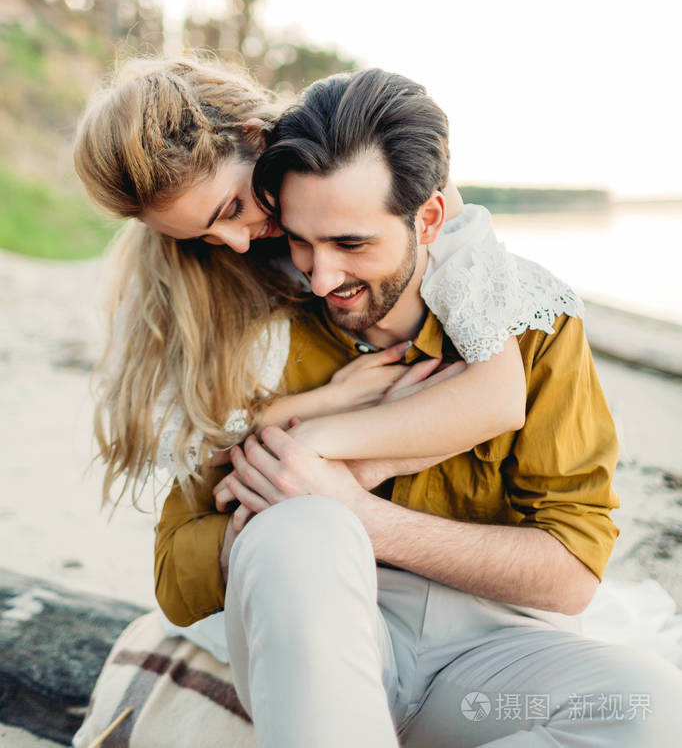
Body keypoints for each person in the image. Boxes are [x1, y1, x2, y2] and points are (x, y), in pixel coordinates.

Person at [154, 67, 682, 747]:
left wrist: (358, 508)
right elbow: (175, 573)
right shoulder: (257, 332)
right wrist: (285, 508)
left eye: (352, 244)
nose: (322, 276)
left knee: (656, 708)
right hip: (324, 646)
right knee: (299, 527)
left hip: (494, 663)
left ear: (429, 218)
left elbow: (573, 572)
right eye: (301, 239)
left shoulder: (532, 324)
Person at [73, 55, 525, 514]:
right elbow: (171, 440)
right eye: (201, 237)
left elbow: (501, 396)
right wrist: (327, 401)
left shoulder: (375, 179)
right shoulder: (173, 266)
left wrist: (329, 448)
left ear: (255, 138)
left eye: (232, 209)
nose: (235, 244)